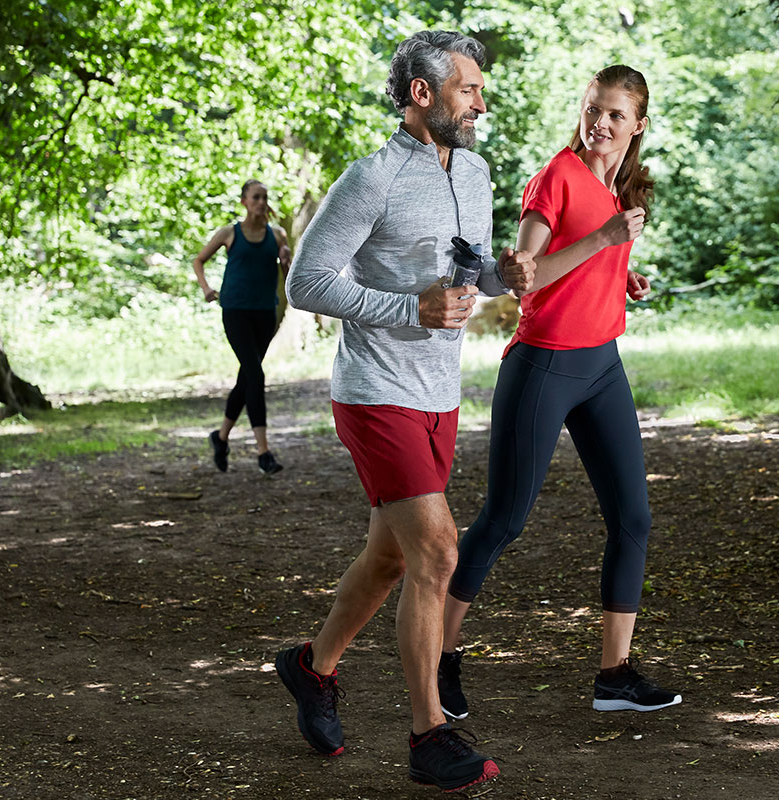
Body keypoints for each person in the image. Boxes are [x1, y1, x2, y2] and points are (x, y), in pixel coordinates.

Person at [274, 31, 534, 793]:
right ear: (422, 94)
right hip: (374, 390)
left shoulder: (478, 171)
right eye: (468, 89)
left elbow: (467, 268)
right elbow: (308, 282)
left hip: (437, 395)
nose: (481, 101)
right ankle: (429, 733)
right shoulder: (372, 178)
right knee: (438, 553)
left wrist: (499, 273)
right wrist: (406, 308)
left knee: (391, 557)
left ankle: (311, 668)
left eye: (480, 88)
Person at [438, 65, 681, 721]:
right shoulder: (557, 177)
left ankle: (615, 675)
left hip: (601, 364)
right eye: (592, 109)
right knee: (505, 521)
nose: (600, 124)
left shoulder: (616, 184)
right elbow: (529, 278)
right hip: (545, 364)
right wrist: (603, 243)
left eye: (615, 116)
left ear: (638, 126)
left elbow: (591, 257)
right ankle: (438, 655)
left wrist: (618, 272)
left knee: (634, 518)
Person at [191, 179, 291, 475]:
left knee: (247, 376)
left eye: (265, 197)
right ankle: (264, 452)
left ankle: (220, 438)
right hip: (235, 311)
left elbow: (288, 272)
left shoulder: (278, 234)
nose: (261, 202)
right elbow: (198, 261)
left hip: (265, 313)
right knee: (256, 374)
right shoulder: (228, 233)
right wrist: (206, 288)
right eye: (256, 197)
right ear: (245, 201)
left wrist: (286, 261)